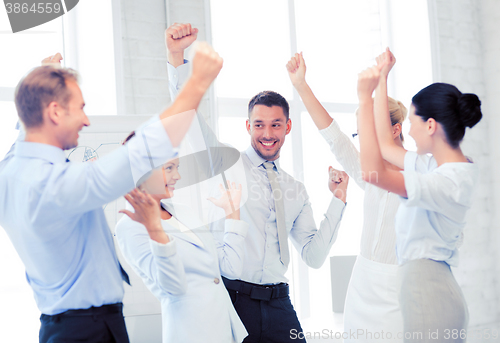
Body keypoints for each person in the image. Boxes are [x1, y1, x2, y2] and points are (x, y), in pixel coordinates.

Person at [0, 43, 223, 343]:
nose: (86, 120)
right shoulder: (56, 185)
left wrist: (40, 78)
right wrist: (197, 82)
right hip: (88, 332)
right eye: (80, 108)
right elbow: (144, 151)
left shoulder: (11, 170)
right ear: (54, 111)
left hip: (61, 328)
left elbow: (25, 129)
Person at [165, 22, 349, 342]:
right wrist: (177, 56)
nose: (267, 134)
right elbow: (188, 117)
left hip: (279, 304)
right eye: (259, 125)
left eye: (275, 125)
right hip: (234, 301)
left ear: (288, 127)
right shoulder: (226, 164)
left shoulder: (296, 189)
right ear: (247, 125)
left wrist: (339, 200)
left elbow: (314, 257)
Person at [357, 48, 481, 342]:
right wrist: (383, 78)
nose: (409, 132)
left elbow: (373, 173)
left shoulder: (449, 181)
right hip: (424, 289)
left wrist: (364, 99)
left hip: (430, 295)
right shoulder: (435, 167)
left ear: (430, 125)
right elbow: (386, 145)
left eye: (412, 122)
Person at [286, 51, 406, 341]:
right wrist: (301, 85)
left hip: (398, 289)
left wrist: (383, 79)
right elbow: (334, 137)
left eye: (369, 132)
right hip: (362, 283)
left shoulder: (419, 173)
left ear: (395, 129)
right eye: (360, 135)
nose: (362, 143)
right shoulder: (370, 173)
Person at [115, 134, 249, 342]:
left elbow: (231, 268)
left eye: (177, 167)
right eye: (169, 168)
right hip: (191, 334)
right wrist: (155, 229)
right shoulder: (131, 226)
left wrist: (233, 213)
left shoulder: (184, 212)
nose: (177, 175)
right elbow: (171, 287)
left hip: (224, 330)